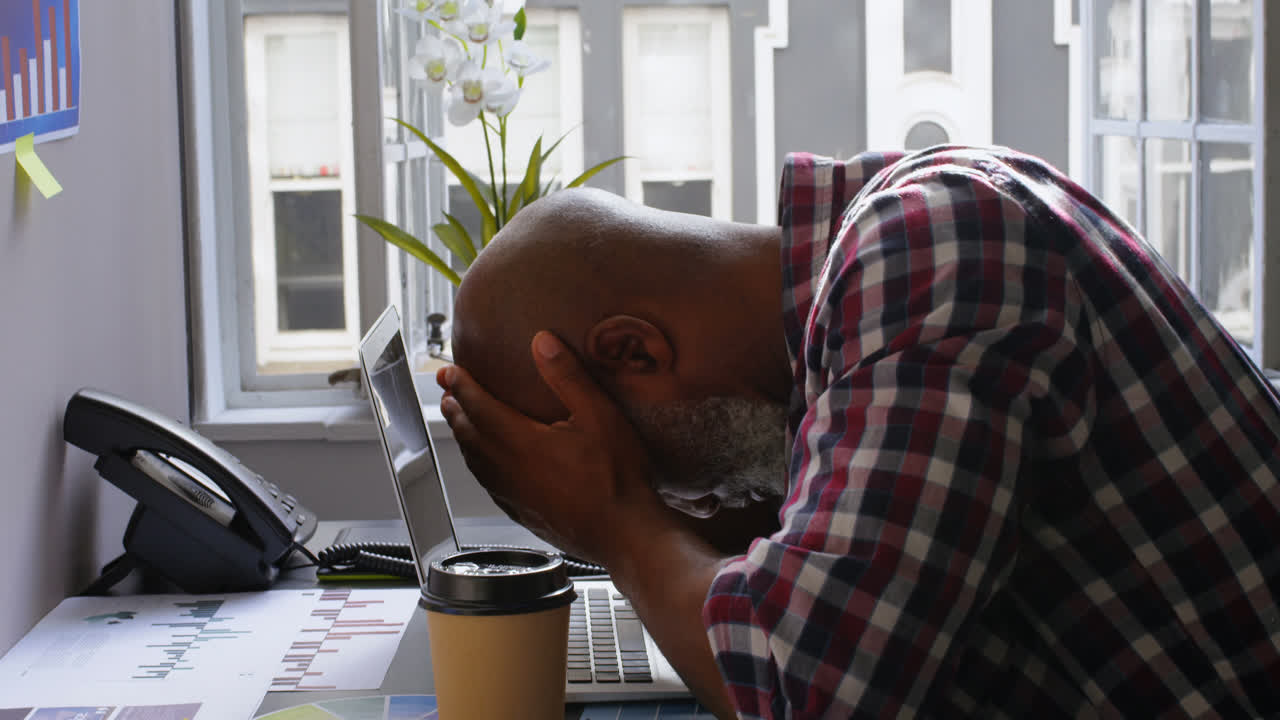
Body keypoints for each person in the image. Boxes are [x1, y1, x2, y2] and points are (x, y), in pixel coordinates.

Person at [436, 144, 1280, 718]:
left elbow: (816, 695)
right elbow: (799, 563)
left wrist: (619, 522)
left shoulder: (929, 253)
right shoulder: (867, 291)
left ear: (633, 350)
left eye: (666, 479)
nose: (688, 505)